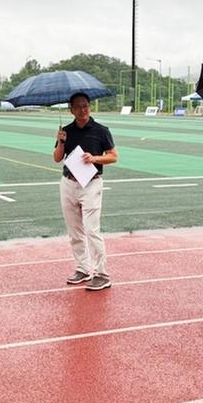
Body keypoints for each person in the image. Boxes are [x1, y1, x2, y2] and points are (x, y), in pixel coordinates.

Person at [53, 91, 118, 290]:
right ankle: (82, 268)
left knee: (91, 229)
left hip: (91, 183)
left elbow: (114, 156)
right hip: (69, 183)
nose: (83, 110)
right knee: (74, 231)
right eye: (78, 106)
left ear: (90, 107)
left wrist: (94, 158)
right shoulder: (66, 130)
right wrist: (61, 141)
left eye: (86, 106)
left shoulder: (101, 130)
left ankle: (102, 274)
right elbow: (57, 158)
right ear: (71, 110)